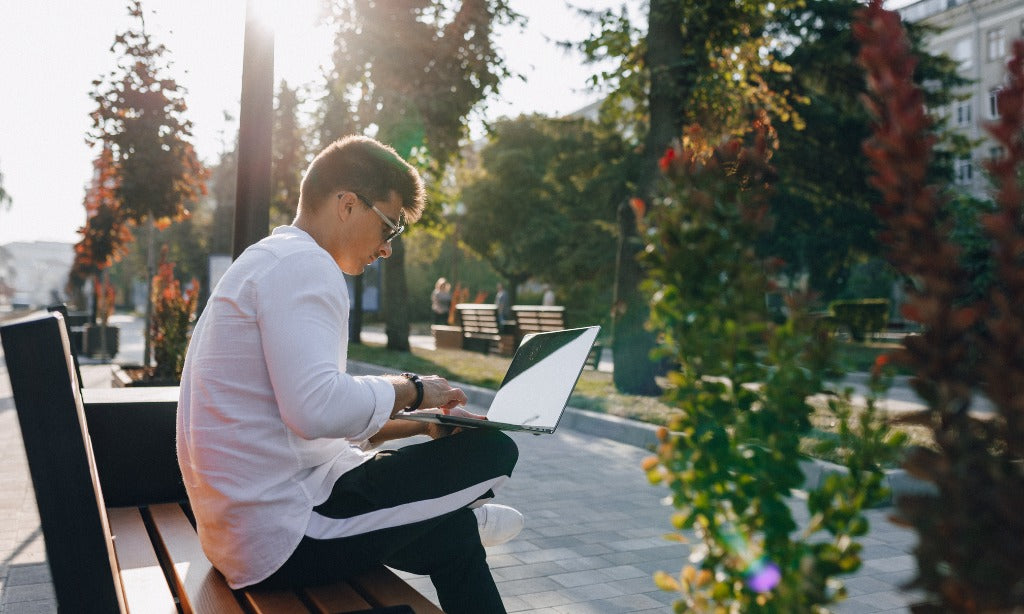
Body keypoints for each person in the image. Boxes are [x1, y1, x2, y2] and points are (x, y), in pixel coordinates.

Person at [177, 135, 522, 614]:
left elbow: (306, 418)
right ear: (347, 205)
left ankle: (450, 515)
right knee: (495, 449)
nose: (386, 249)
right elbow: (315, 408)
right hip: (285, 534)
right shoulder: (305, 266)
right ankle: (450, 508)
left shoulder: (270, 260)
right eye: (390, 226)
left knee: (453, 538)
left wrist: (424, 423)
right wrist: (417, 389)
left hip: (243, 528)